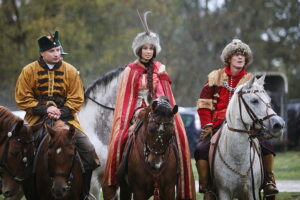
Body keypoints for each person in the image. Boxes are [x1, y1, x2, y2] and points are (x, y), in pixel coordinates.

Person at [102, 11, 196, 200]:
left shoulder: (160, 69)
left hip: (159, 109)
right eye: (144, 48)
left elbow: (164, 93)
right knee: (122, 136)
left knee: (178, 133)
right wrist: (141, 110)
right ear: (139, 50)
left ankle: (181, 175)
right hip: (137, 110)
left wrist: (159, 104)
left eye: (151, 48)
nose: (148, 51)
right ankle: (119, 174)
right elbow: (128, 97)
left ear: (155, 50)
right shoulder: (130, 70)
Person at [15, 31, 100, 200]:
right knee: (22, 153)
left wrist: (62, 111)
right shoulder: (28, 71)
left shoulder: (71, 71)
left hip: (67, 120)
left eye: (58, 50)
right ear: (42, 53)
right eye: (52, 51)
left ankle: (84, 193)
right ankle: (29, 192)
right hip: (37, 119)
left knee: (89, 151)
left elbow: (77, 98)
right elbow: (23, 97)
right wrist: (45, 109)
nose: (56, 54)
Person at [194, 39, 279, 199]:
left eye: (243, 55)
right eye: (236, 55)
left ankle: (269, 181)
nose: (240, 58)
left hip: (247, 125)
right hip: (218, 124)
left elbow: (258, 105)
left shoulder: (250, 79)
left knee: (267, 145)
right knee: (201, 150)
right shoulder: (215, 76)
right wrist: (207, 124)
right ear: (229, 58)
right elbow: (204, 103)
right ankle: (208, 188)